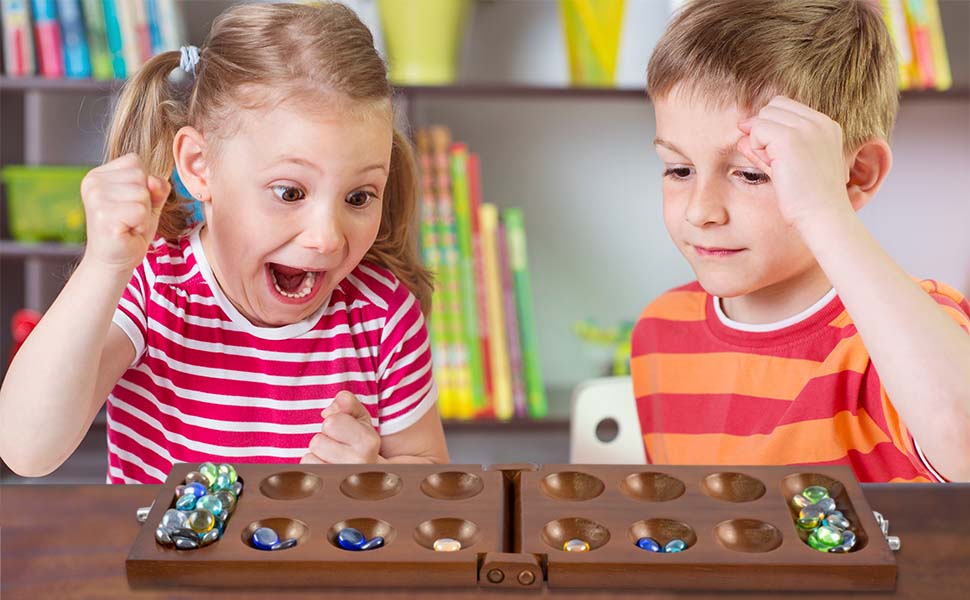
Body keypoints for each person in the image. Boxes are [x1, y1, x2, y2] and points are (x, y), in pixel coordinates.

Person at [0, 2, 449, 483]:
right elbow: (27, 451)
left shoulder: (382, 315)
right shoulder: (152, 288)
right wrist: (103, 266)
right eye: (290, 192)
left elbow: (430, 476)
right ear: (198, 166)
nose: (327, 238)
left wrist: (374, 478)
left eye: (359, 197)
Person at [631, 0, 969, 482]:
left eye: (751, 173)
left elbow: (964, 449)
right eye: (679, 169)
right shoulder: (660, 332)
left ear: (857, 174)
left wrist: (824, 210)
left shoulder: (904, 332)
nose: (700, 211)